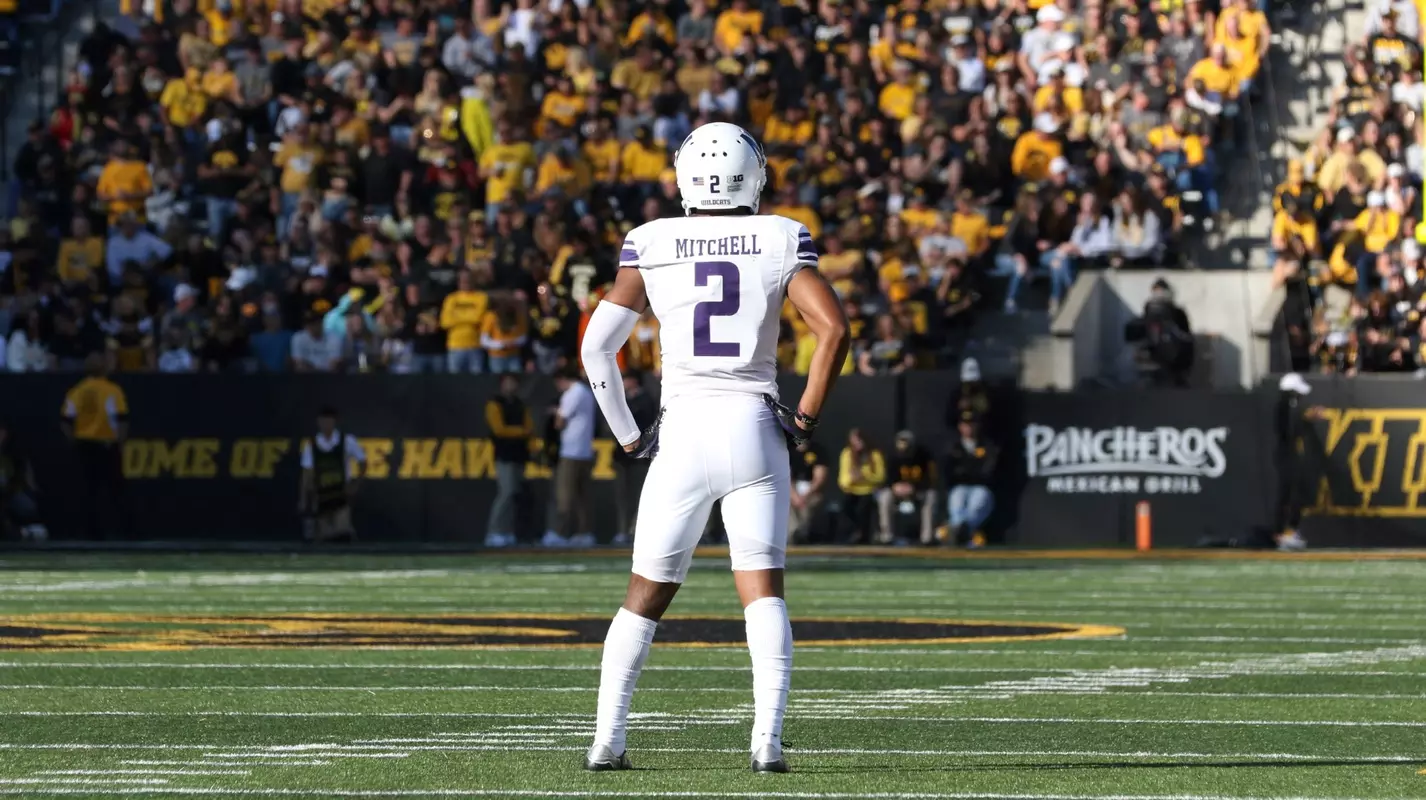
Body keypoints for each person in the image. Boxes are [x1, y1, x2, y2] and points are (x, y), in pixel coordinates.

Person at [576, 122, 849, 773]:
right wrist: (806, 416)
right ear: (754, 173)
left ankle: (607, 740)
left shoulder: (651, 240)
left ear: (683, 174)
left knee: (643, 596)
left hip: (685, 430)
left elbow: (596, 348)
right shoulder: (782, 234)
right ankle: (767, 743)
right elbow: (834, 329)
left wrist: (630, 436)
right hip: (754, 427)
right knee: (764, 592)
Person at [60, 355, 130, 540]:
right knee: (117, 491)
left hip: (84, 445)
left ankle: (92, 534)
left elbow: (66, 420)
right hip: (107, 445)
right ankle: (128, 533)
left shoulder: (77, 391)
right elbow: (122, 419)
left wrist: (73, 439)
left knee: (88, 492)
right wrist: (120, 443)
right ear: (104, 369)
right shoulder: (112, 390)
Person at [543, 367, 597, 548]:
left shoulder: (571, 394)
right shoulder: (587, 393)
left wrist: (555, 412)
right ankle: (585, 532)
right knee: (582, 496)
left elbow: (560, 422)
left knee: (564, 495)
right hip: (585, 452)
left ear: (563, 379)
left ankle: (558, 533)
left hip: (570, 452)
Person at [298, 406, 367, 544]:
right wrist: (303, 498)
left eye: (329, 421)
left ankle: (348, 534)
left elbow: (363, 462)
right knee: (324, 538)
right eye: (323, 421)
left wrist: (355, 484)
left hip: (341, 494)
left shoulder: (347, 441)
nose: (326, 424)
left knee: (341, 535)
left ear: (335, 422)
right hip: (321, 496)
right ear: (318, 422)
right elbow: (306, 474)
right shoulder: (311, 445)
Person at [1273, 373, 1323, 551]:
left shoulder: (1288, 407)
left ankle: (1287, 532)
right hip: (1283, 456)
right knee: (1289, 494)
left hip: (1288, 455)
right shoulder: (1282, 407)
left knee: (1293, 493)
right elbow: (1288, 430)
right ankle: (1282, 534)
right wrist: (1306, 418)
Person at [484, 373, 533, 548]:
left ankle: (507, 531)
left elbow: (529, 426)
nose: (511, 386)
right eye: (508, 382)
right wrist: (520, 432)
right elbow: (499, 429)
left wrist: (523, 434)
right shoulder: (495, 403)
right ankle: (494, 531)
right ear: (502, 384)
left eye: (514, 382)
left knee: (514, 494)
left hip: (519, 453)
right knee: (506, 492)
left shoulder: (520, 404)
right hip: (504, 454)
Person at [611, 373, 658, 546]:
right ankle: (623, 530)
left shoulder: (646, 401)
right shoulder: (623, 400)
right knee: (622, 496)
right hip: (623, 457)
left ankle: (637, 531)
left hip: (641, 456)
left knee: (641, 494)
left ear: (634, 380)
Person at [943, 412, 998, 547]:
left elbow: (988, 471)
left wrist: (967, 471)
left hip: (981, 486)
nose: (968, 428)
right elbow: (950, 471)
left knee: (978, 500)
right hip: (959, 486)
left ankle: (960, 531)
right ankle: (960, 532)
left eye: (971, 424)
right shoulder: (953, 446)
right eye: (965, 425)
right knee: (957, 498)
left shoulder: (986, 445)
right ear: (960, 427)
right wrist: (969, 471)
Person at [878, 430, 936, 545]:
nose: (904, 447)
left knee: (930, 496)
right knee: (885, 497)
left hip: (917, 490)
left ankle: (926, 538)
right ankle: (887, 536)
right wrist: (895, 487)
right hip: (898, 491)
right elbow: (887, 478)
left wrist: (914, 487)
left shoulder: (924, 456)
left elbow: (930, 478)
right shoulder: (892, 456)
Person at [837, 427, 886, 543]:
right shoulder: (847, 454)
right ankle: (854, 533)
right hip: (852, 489)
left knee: (864, 506)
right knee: (847, 506)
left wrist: (864, 476)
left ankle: (865, 535)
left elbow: (880, 476)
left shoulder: (875, 454)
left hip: (870, 490)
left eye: (859, 439)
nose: (857, 443)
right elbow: (843, 479)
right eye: (854, 440)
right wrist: (852, 479)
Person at [788, 438, 829, 543]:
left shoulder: (817, 450)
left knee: (809, 506)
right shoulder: (787, 450)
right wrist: (795, 497)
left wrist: (805, 496)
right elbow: (786, 477)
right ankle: (793, 535)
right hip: (791, 490)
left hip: (811, 491)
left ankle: (804, 536)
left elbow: (819, 478)